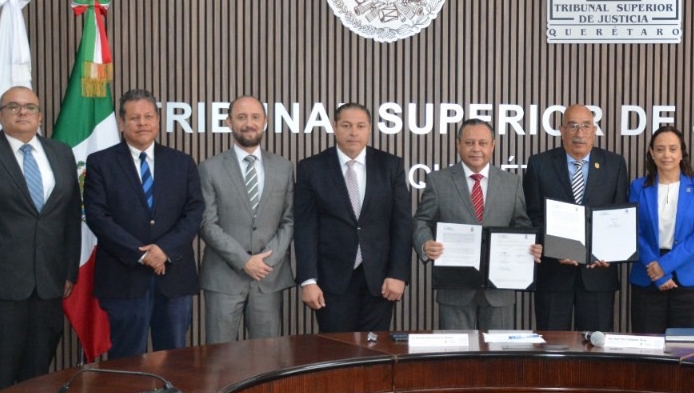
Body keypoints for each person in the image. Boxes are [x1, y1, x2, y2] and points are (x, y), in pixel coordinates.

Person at [0, 86, 81, 393]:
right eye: (13, 106)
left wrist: (69, 271)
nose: (22, 112)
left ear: (40, 116)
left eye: (30, 107)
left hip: (48, 285)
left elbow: (70, 217)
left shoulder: (61, 153)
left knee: (38, 376)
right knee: (0, 375)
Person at [84, 89, 204, 359]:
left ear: (158, 120)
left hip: (173, 278)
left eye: (148, 116)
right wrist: (143, 255)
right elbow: (97, 216)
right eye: (134, 118)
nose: (142, 123)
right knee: (126, 361)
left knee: (175, 360)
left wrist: (164, 250)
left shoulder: (182, 162)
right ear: (121, 122)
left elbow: (194, 211)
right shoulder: (101, 163)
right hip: (123, 278)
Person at [293, 103, 413, 332]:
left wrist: (398, 274)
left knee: (375, 348)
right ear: (334, 127)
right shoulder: (311, 168)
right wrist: (308, 280)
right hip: (330, 282)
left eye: (360, 126)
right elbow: (305, 227)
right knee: (336, 348)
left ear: (370, 129)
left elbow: (402, 223)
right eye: (346, 125)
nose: (353, 132)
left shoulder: (390, 165)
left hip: (380, 282)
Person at [414, 119, 542, 329]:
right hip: (455, 288)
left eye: (482, 143)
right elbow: (421, 220)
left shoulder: (512, 182)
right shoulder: (438, 181)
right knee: (457, 349)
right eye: (469, 142)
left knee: (498, 349)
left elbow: (522, 225)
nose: (476, 149)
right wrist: (425, 243)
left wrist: (529, 246)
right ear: (458, 145)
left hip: (499, 288)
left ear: (493, 146)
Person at [523, 103, 629, 331]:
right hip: (553, 275)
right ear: (562, 130)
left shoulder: (614, 164)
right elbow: (532, 215)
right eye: (572, 126)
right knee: (551, 345)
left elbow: (619, 216)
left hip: (598, 274)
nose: (579, 133)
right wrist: (555, 248)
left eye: (586, 126)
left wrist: (610, 252)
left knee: (595, 346)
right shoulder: (539, 164)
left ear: (594, 130)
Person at [198, 96, 295, 343]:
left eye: (255, 117)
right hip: (223, 279)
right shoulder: (209, 168)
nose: (248, 123)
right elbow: (207, 223)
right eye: (241, 117)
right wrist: (244, 261)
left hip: (268, 277)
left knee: (267, 357)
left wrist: (265, 262)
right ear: (229, 122)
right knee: (219, 358)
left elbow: (289, 220)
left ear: (265, 121)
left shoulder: (284, 167)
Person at [628, 126, 694, 333]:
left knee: (686, 347)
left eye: (673, 149)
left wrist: (664, 266)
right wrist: (657, 270)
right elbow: (632, 230)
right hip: (647, 276)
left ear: (682, 153)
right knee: (647, 346)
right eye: (660, 149)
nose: (666, 155)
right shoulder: (638, 187)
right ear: (651, 152)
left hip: (689, 278)